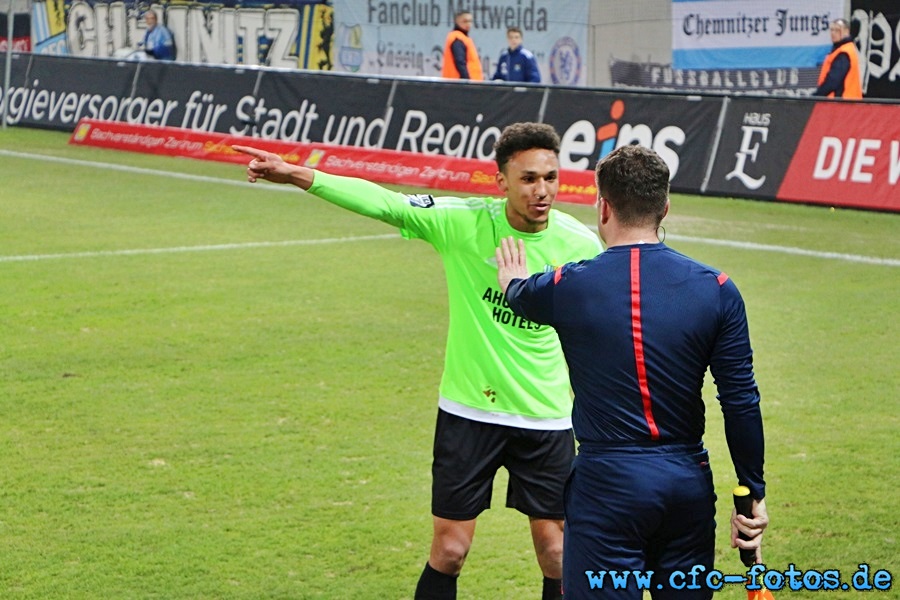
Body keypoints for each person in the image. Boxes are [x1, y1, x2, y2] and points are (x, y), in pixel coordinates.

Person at [232, 123, 602, 600]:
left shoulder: (580, 246)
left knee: (557, 553)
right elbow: (385, 201)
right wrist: (299, 175)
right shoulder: (463, 222)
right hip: (469, 414)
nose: (542, 191)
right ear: (501, 182)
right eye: (529, 178)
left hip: (546, 418)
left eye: (551, 178)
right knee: (450, 550)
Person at [495, 144, 768, 600]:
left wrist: (512, 283)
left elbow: (522, 294)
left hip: (607, 485)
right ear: (665, 207)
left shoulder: (568, 285)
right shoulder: (717, 289)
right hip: (686, 483)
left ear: (603, 207)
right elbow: (741, 400)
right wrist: (753, 490)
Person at [814, 18, 862, 99]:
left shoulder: (844, 53)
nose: (833, 33)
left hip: (842, 104)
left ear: (846, 32)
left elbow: (833, 81)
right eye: (832, 30)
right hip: (847, 103)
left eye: (837, 30)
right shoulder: (844, 49)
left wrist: (816, 96)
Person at [441, 10, 483, 80]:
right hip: (459, 85)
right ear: (457, 21)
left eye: (470, 21)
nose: (468, 24)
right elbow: (460, 62)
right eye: (465, 21)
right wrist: (467, 80)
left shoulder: (463, 38)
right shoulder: (457, 38)